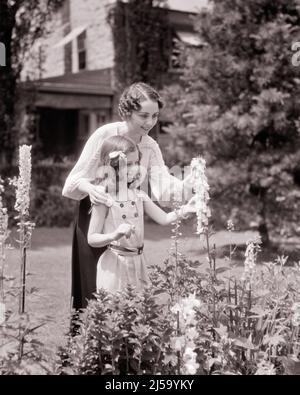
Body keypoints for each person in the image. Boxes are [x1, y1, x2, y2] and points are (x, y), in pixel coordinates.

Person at [62, 82, 193, 309]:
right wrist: (92, 188)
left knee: (128, 294)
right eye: (144, 115)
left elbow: (162, 188)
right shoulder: (105, 134)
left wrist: (189, 184)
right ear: (127, 111)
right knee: (95, 294)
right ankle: (90, 343)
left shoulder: (150, 145)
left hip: (128, 222)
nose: (150, 122)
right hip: (96, 215)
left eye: (155, 116)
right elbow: (71, 184)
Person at [87, 136, 196, 293]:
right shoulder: (104, 199)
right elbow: (92, 238)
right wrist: (115, 234)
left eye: (136, 163)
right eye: (128, 164)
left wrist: (185, 209)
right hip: (115, 265)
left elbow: (164, 218)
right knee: (117, 312)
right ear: (113, 166)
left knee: (141, 313)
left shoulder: (140, 195)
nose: (135, 168)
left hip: (139, 263)